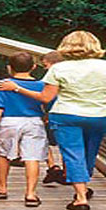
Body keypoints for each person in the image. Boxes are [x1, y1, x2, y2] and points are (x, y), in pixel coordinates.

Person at [0, 31, 106, 210]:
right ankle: (83, 186)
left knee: (73, 153)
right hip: (99, 115)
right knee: (90, 153)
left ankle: (81, 197)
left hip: (67, 115)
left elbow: (45, 97)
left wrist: (18, 88)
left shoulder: (58, 69)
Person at [0, 52, 49, 207]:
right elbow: (47, 103)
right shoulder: (42, 85)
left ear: (9, 67)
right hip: (34, 121)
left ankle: (2, 188)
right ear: (34, 67)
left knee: (4, 154)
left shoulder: (1, 84)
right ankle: (31, 194)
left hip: (9, 121)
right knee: (32, 156)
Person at [39, 51, 68, 185]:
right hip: (69, 115)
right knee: (67, 144)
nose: (44, 69)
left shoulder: (51, 80)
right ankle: (67, 173)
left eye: (45, 65)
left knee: (42, 138)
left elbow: (47, 98)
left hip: (54, 115)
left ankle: (52, 166)